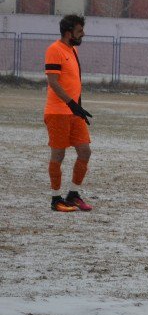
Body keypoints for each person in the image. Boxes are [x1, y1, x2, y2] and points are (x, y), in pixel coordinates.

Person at [44, 15, 94, 212]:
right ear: (69, 32)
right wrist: (71, 104)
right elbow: (53, 82)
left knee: (85, 151)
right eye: (80, 31)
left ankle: (73, 194)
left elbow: (75, 83)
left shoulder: (72, 50)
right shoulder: (54, 50)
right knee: (58, 153)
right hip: (57, 112)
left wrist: (78, 109)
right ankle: (56, 199)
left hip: (74, 112)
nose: (83, 34)